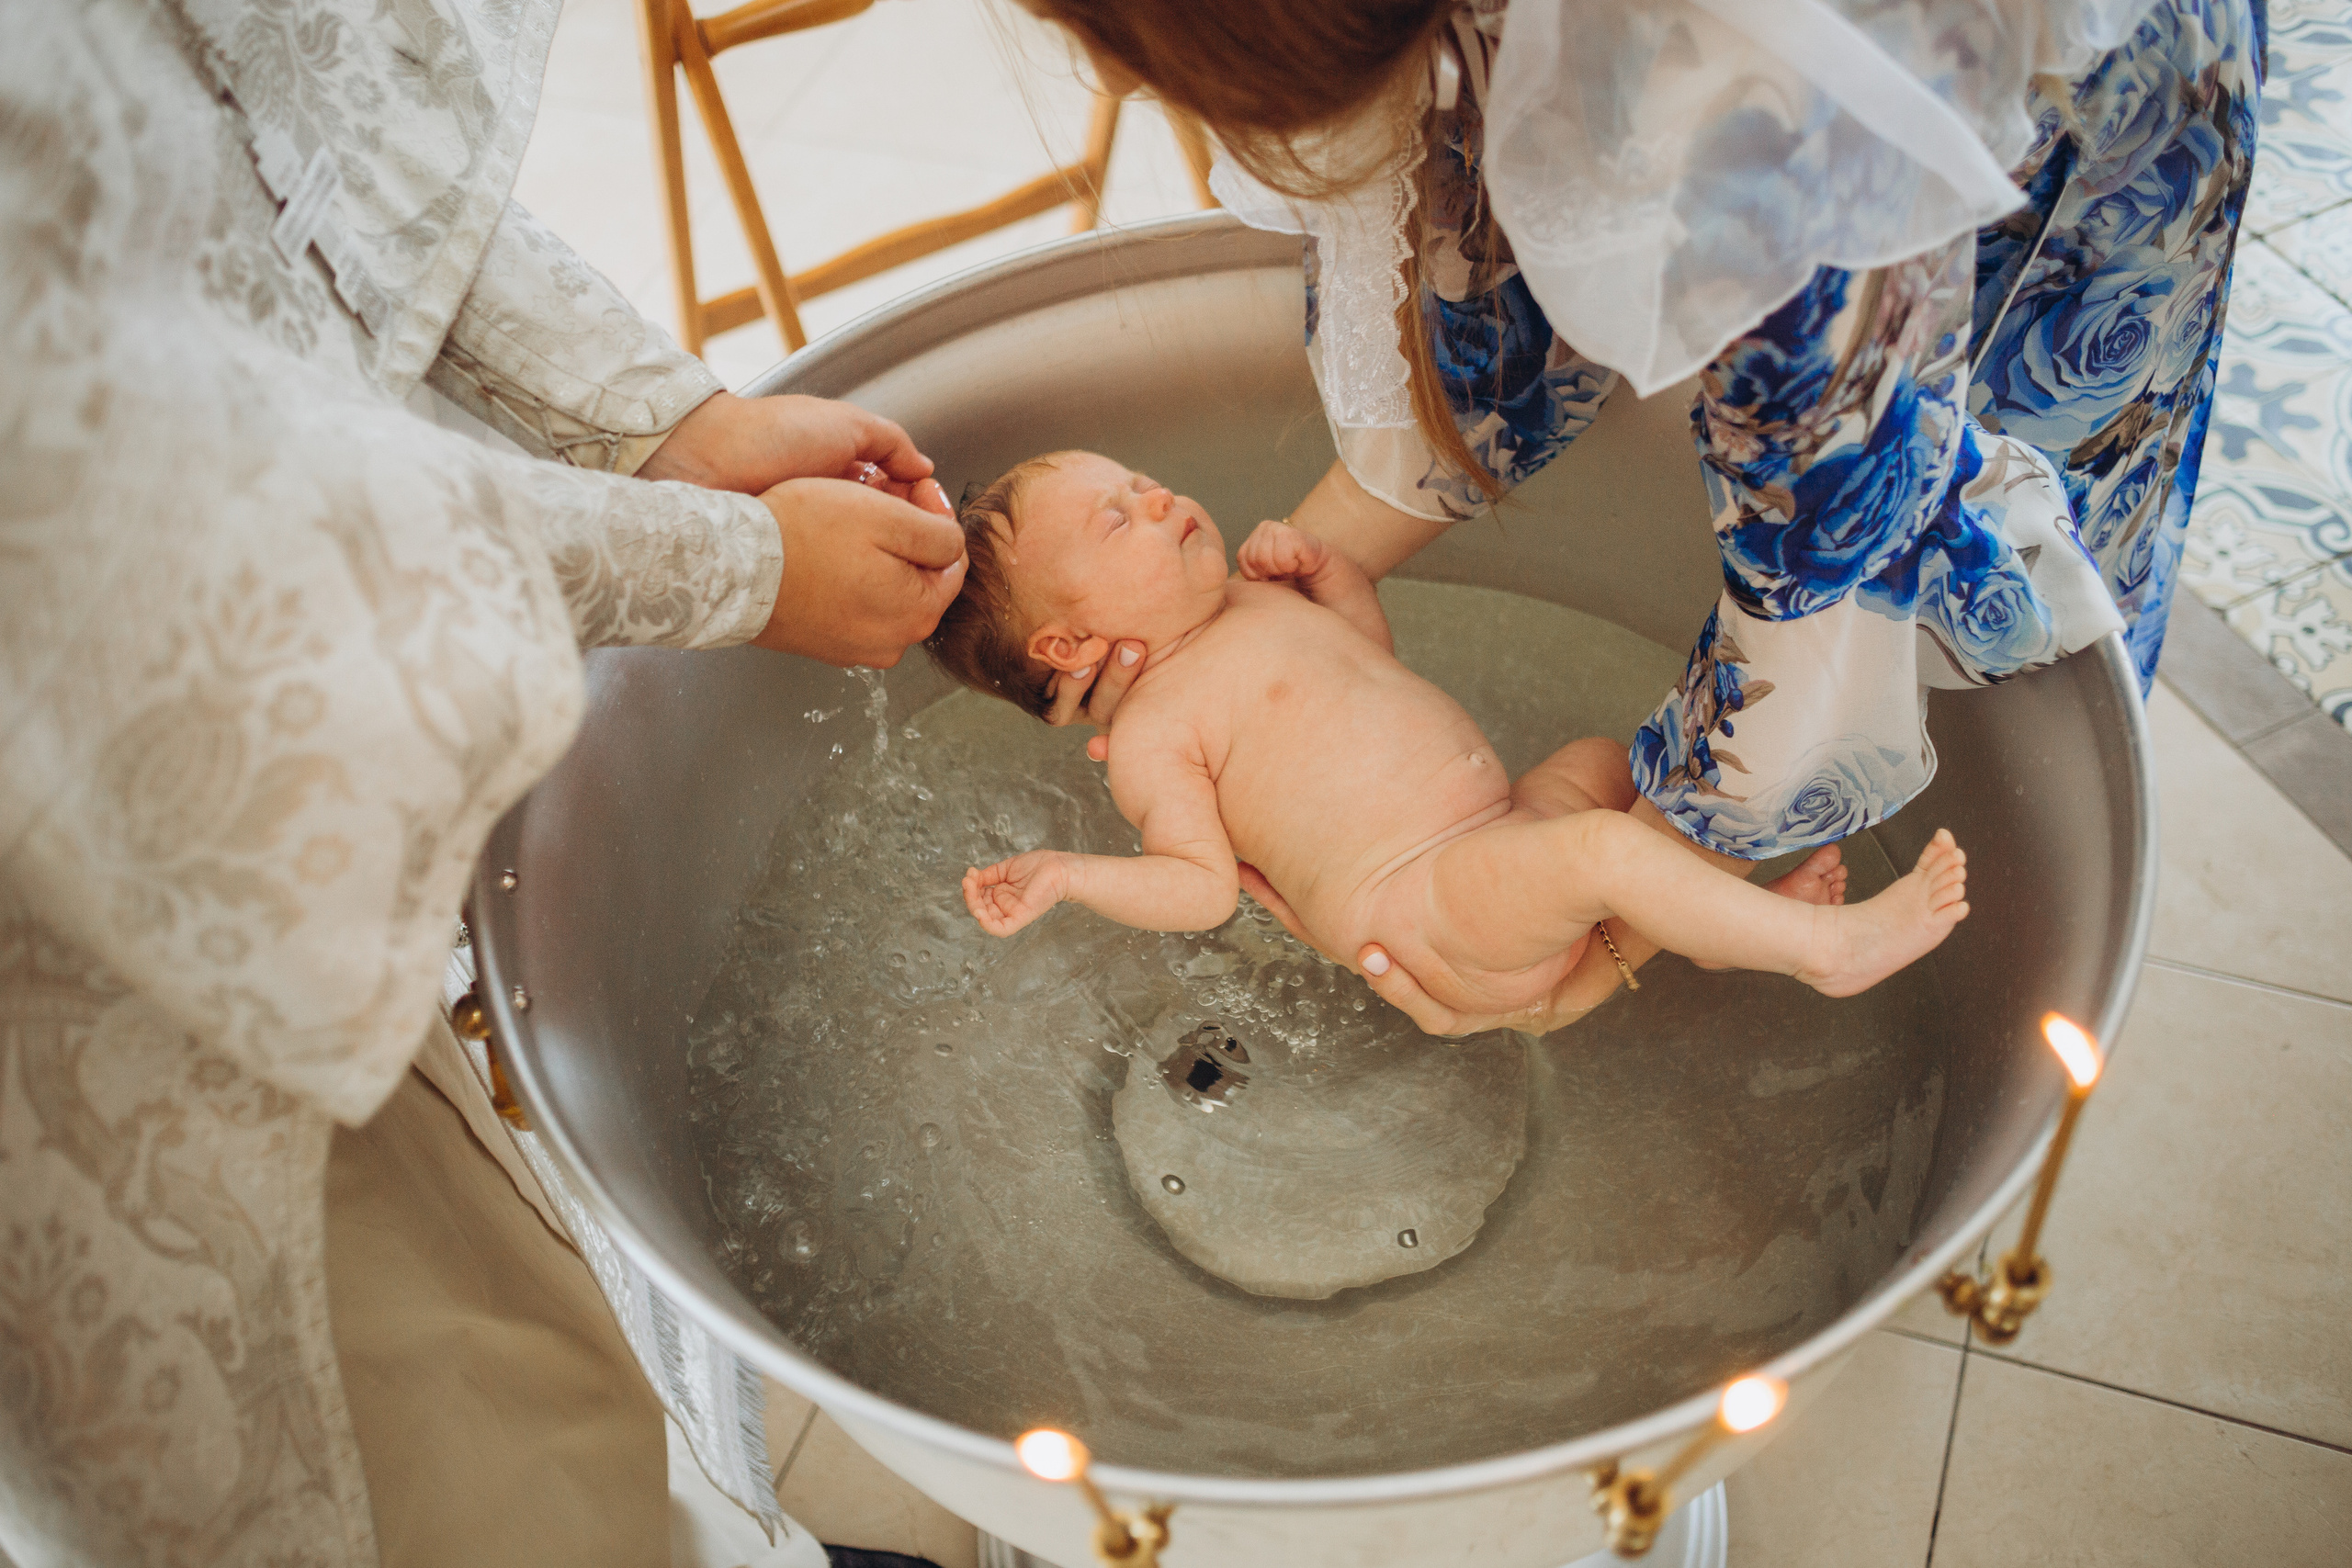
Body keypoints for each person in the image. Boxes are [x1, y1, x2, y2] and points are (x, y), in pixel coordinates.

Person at [0, 2, 966, 1565]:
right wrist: (740, 565)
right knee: (398, 1436)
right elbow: (157, 490)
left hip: (222, 769)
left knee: (508, 1311)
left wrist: (668, 422)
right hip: (76, 938)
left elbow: (287, 145)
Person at [1021, 0, 2263, 1036]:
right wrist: (1234, 630)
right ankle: (1753, 927)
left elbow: (1831, 579)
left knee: (1621, 806)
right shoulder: (1149, 728)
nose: (1116, 83)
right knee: (1605, 833)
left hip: (2012, 107)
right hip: (1445, 886)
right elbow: (1476, 286)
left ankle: (1781, 938)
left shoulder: (1756, 118)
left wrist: (1599, 962)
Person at [931, 451, 1967, 1016]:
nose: (1156, 497)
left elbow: (1372, 669)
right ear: (1068, 647)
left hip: (1495, 828)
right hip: (1428, 904)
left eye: (1138, 481)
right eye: (1119, 520)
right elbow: (1202, 890)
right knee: (1605, 850)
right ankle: (1823, 950)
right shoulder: (1156, 733)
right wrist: (1073, 876)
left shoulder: (1248, 604)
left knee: (1605, 772)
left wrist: (1332, 582)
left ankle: (1710, 940)